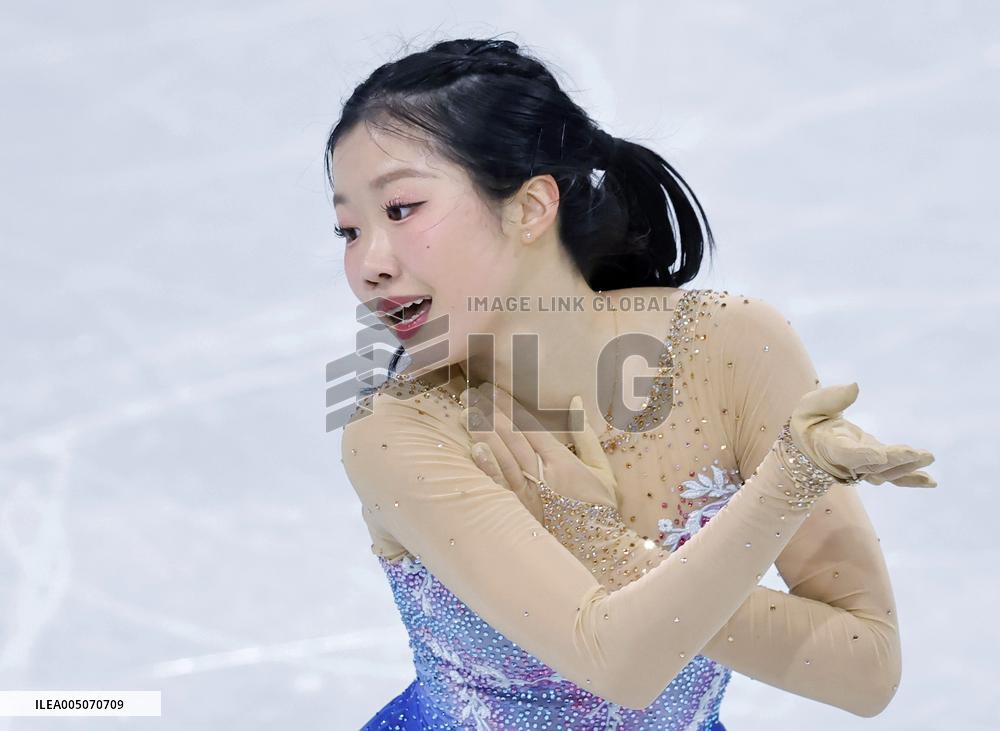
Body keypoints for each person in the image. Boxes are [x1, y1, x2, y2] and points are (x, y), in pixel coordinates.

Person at [327, 37, 937, 729]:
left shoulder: (727, 349)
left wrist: (607, 550)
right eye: (347, 228)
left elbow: (866, 670)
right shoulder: (400, 432)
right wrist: (786, 480)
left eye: (400, 209)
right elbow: (618, 664)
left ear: (529, 207)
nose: (368, 262)